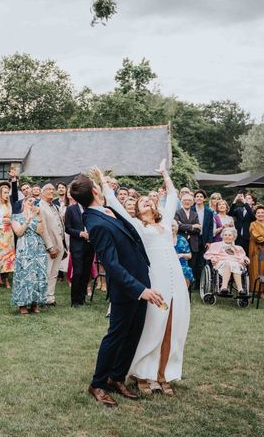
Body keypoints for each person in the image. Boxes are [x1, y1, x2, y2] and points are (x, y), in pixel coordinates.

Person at [71, 172, 163, 407]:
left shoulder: (106, 210)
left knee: (133, 333)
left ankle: (117, 377)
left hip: (140, 279)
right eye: (97, 186)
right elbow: (111, 265)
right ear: (94, 192)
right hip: (127, 288)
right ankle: (98, 383)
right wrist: (140, 290)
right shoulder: (95, 223)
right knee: (115, 336)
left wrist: (101, 179)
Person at [99, 163, 190, 396]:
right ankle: (142, 373)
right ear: (137, 211)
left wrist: (164, 173)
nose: (147, 202)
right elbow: (117, 205)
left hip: (176, 282)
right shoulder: (137, 226)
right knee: (153, 326)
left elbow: (172, 195)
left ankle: (163, 374)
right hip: (155, 281)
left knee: (172, 325)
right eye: (141, 203)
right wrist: (103, 181)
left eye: (148, 201)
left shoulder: (165, 221)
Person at [11, 196, 47, 314]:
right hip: (24, 249)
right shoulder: (16, 217)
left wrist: (39, 216)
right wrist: (28, 220)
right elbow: (19, 232)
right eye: (29, 201)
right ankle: (22, 304)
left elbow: (41, 231)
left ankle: (35, 303)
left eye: (34, 201)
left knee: (37, 275)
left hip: (38, 249)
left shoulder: (37, 217)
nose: (32, 203)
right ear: (24, 203)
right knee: (24, 275)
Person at [65, 199, 95, 308]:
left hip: (90, 245)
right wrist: (80, 233)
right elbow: (67, 228)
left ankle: (82, 298)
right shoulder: (71, 209)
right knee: (78, 272)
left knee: (86, 273)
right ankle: (75, 300)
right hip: (77, 245)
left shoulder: (92, 209)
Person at [39, 184, 65, 306]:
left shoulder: (55, 206)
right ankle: (42, 297)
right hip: (49, 246)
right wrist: (50, 246)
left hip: (60, 244)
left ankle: (50, 297)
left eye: (52, 189)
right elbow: (43, 228)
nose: (51, 191)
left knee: (54, 273)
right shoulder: (40, 206)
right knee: (46, 272)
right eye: (48, 189)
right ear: (42, 192)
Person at [204, 228, 248, 295]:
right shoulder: (215, 245)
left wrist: (246, 260)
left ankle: (240, 290)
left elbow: (243, 257)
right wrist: (213, 258)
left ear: (234, 237)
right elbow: (208, 254)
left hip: (235, 264)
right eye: (225, 235)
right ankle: (224, 287)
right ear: (222, 236)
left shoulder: (238, 248)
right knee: (228, 264)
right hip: (221, 264)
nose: (227, 237)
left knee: (234, 265)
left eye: (230, 235)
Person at [175, 194, 202, 289]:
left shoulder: (195, 214)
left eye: (189, 200)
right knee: (180, 265)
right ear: (181, 201)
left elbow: (198, 229)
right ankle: (180, 287)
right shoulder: (177, 213)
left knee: (192, 265)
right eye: (185, 200)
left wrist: (185, 227)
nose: (187, 202)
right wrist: (192, 227)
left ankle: (189, 287)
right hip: (181, 244)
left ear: (192, 202)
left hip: (193, 243)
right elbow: (177, 226)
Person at [172, 220, 193, 287]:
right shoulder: (165, 240)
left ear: (177, 227)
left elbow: (189, 256)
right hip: (169, 263)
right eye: (170, 226)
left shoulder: (182, 239)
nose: (172, 228)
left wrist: (181, 255)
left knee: (185, 271)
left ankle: (184, 293)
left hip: (181, 264)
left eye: (173, 226)